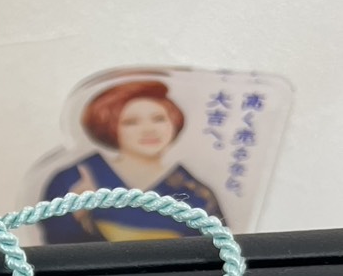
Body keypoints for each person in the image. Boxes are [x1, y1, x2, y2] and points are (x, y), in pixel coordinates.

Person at [41, 80, 225, 243]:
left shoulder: (194, 192)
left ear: (173, 122)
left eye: (159, 119)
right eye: (131, 122)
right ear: (110, 127)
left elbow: (216, 250)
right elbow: (54, 247)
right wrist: (76, 214)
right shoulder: (74, 179)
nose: (148, 130)